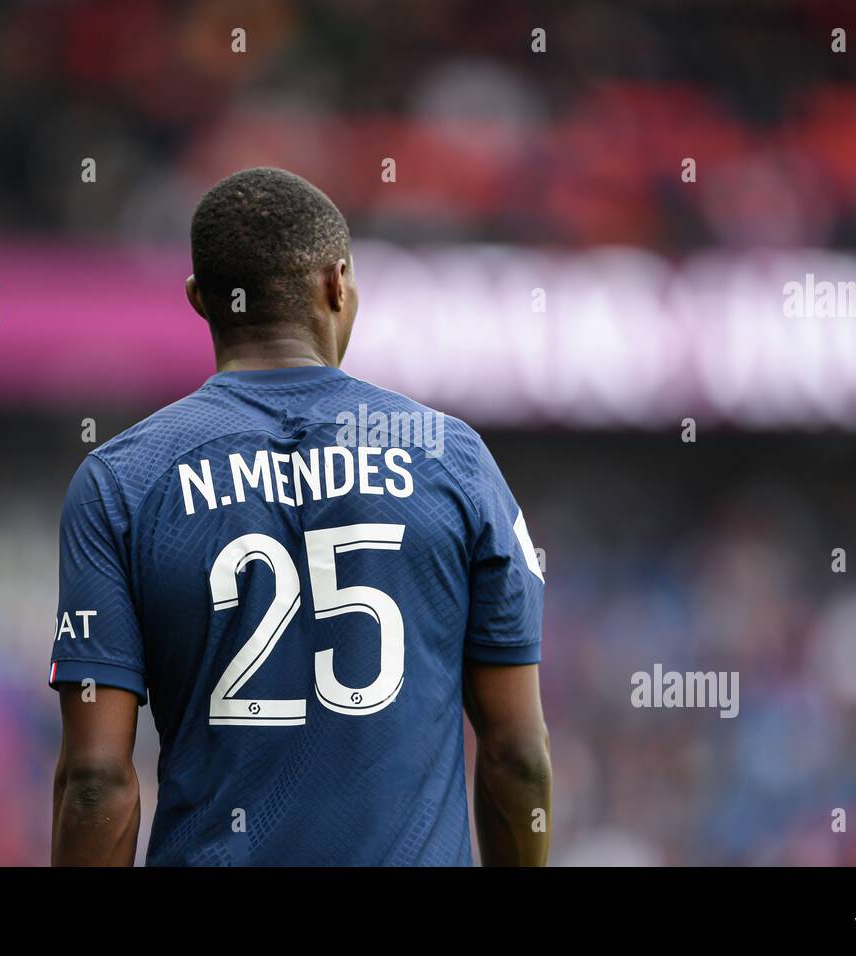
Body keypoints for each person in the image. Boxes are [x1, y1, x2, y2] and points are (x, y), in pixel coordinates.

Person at [49, 167, 550, 866]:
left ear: (199, 300)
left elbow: (98, 780)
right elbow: (517, 756)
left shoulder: (121, 482)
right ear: (337, 283)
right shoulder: (452, 460)